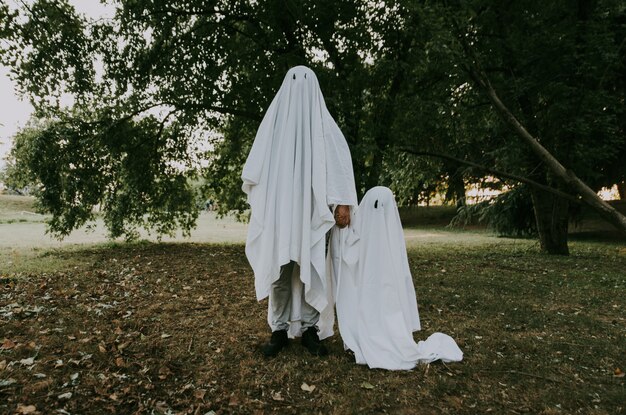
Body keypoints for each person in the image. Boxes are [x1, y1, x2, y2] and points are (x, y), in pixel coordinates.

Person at [242, 65, 357, 357]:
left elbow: (340, 163)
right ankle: (278, 329)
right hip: (282, 211)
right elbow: (256, 168)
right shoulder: (273, 127)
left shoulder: (325, 127)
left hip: (313, 211)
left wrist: (342, 201)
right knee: (281, 268)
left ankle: (310, 330)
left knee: (313, 266)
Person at [330, 186, 463, 370]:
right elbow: (346, 257)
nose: (378, 211)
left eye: (382, 206)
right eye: (375, 206)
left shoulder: (391, 242)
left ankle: (387, 334)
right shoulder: (357, 237)